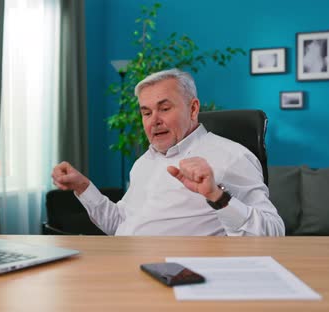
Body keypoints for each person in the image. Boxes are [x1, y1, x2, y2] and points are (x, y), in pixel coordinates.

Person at [52, 68, 284, 236]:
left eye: (164, 108)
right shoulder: (143, 163)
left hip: (181, 276)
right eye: (146, 113)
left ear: (193, 109)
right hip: (127, 267)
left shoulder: (232, 156)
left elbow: (273, 232)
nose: (154, 121)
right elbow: (120, 225)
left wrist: (217, 196)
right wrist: (83, 187)